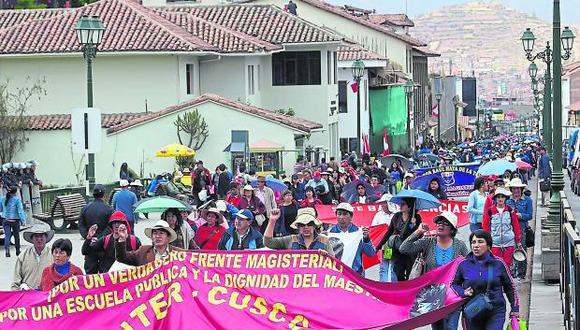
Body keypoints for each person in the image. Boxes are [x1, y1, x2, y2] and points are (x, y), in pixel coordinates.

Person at [399, 211, 469, 330]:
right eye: (438, 223)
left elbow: (468, 267)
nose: (440, 226)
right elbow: (404, 248)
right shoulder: (428, 242)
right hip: (433, 297)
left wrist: (465, 291)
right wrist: (418, 232)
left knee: (451, 328)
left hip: (452, 295)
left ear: (452, 229)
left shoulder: (460, 245)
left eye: (445, 224)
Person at [452, 230, 519, 329]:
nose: (476, 245)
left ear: (488, 245)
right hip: (472, 311)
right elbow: (453, 284)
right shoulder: (463, 264)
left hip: (495, 311)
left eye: (480, 242)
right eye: (473, 242)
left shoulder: (499, 263)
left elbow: (510, 287)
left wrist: (515, 308)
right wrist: (463, 292)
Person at [375, 197, 422, 281]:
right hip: (395, 249)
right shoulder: (396, 216)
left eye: (403, 204)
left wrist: (414, 226)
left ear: (409, 206)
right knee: (397, 272)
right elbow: (389, 232)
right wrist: (378, 246)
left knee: (410, 273)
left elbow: (419, 235)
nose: (400, 205)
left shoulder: (416, 217)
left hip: (409, 251)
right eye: (401, 203)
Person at [328, 203, 375, 275]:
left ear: (351, 216)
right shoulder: (329, 233)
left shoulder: (360, 232)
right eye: (339, 214)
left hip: (356, 275)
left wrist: (366, 239)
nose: (341, 217)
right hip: (336, 275)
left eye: (345, 214)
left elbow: (371, 253)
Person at [264, 208, 334, 255]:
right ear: (298, 226)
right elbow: (268, 242)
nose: (306, 227)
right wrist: (272, 220)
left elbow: (334, 265)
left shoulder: (324, 240)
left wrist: (326, 257)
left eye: (310, 224)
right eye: (302, 224)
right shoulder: (290, 240)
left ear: (314, 225)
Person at [482, 187, 521, 269]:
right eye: (498, 197)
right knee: (495, 266)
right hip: (495, 244)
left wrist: (518, 241)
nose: (500, 199)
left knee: (507, 266)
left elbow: (516, 226)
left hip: (509, 243)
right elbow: (485, 227)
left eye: (502, 197)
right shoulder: (490, 211)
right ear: (495, 199)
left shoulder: (510, 210)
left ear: (505, 198)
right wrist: (485, 242)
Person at [78, 184, 113, 274]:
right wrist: (100, 237)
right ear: (104, 195)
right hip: (104, 245)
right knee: (104, 274)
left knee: (90, 275)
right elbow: (110, 226)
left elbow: (81, 225)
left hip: (90, 245)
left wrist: (88, 236)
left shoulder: (85, 208)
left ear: (93, 194)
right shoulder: (109, 209)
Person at [116, 220, 184, 266]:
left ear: (168, 237)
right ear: (152, 237)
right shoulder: (143, 251)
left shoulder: (178, 253)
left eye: (161, 233)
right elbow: (122, 258)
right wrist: (122, 238)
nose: (157, 236)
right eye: (155, 233)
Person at [11, 223, 53, 290]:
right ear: (32, 239)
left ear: (46, 238)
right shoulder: (23, 255)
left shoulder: (53, 255)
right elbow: (16, 281)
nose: (39, 239)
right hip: (27, 296)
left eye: (41, 236)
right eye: (36, 236)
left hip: (47, 296)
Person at [506, 178, 533, 280]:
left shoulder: (527, 200)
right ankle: (512, 271)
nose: (516, 190)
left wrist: (519, 215)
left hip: (522, 229)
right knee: (510, 249)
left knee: (521, 249)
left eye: (518, 188)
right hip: (509, 228)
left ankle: (521, 273)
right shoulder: (508, 200)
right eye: (514, 188)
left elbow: (530, 215)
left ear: (521, 189)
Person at [1, 186, 27, 257]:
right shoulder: (17, 200)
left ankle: (7, 251)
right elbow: (20, 211)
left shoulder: (3, 198)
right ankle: (17, 251)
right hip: (15, 221)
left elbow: (1, 209)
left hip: (5, 220)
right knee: (16, 236)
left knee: (7, 236)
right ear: (15, 192)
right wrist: (23, 220)